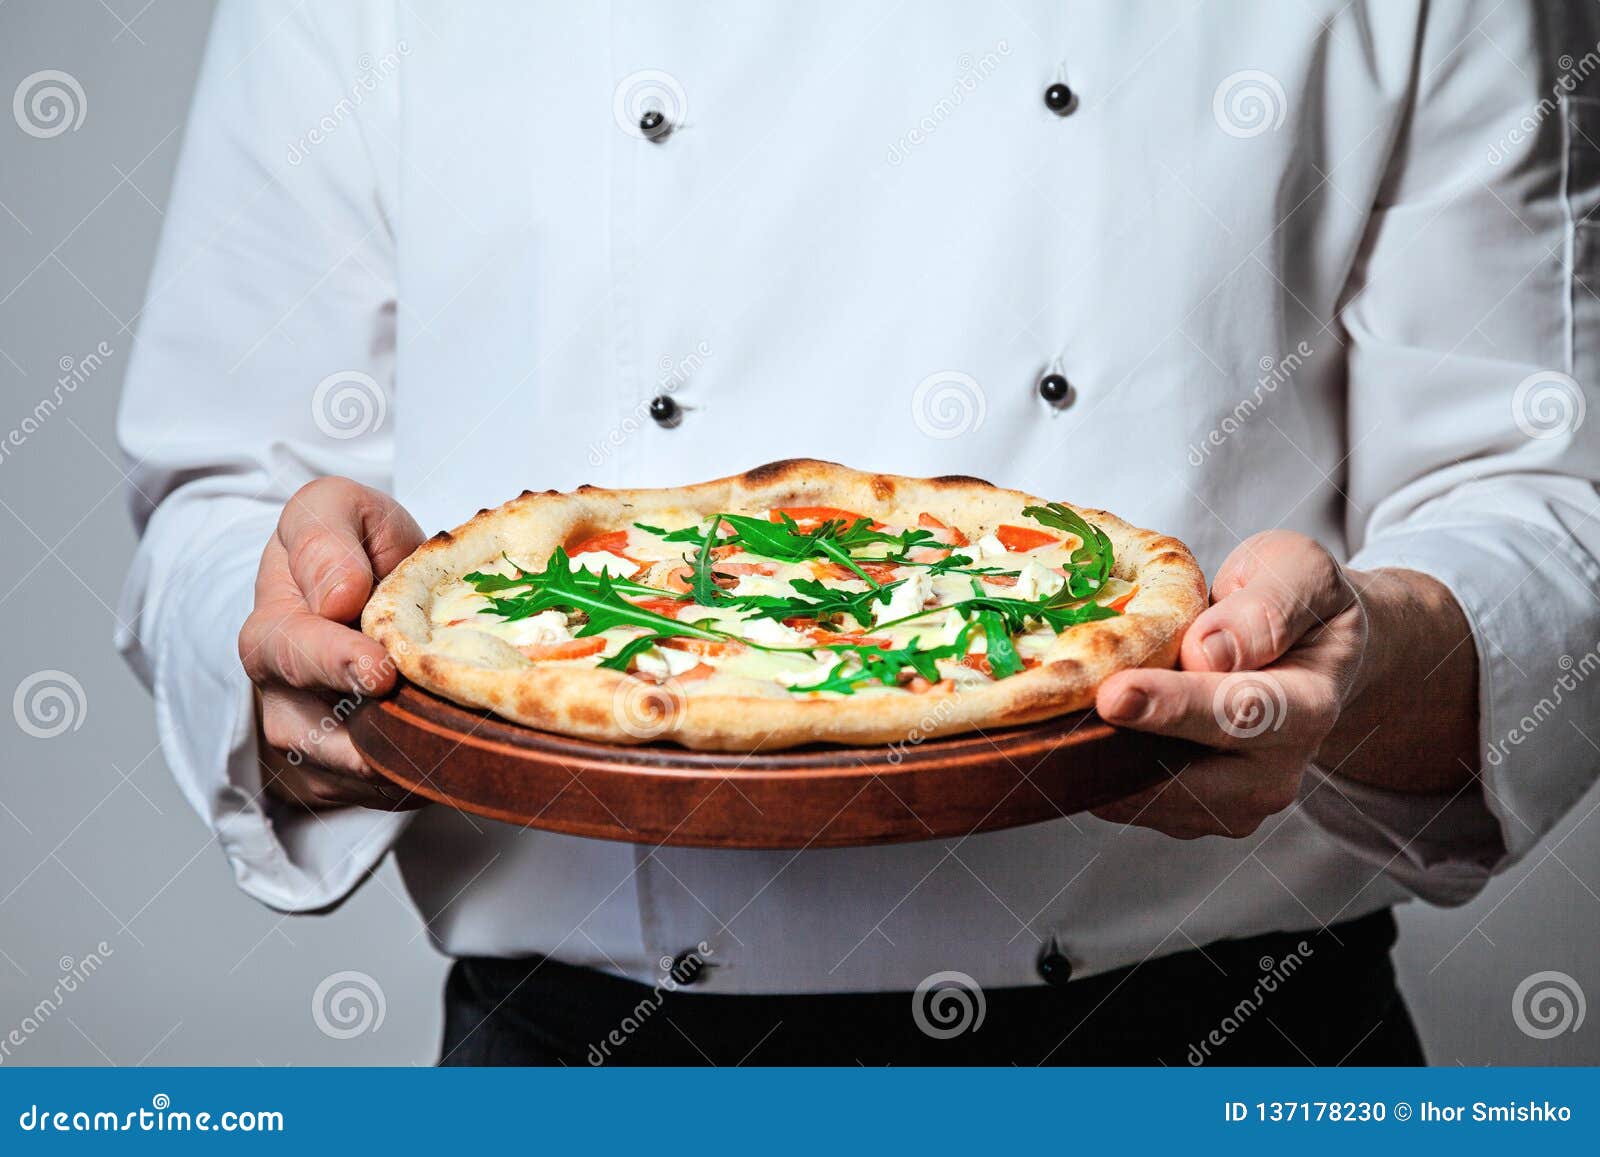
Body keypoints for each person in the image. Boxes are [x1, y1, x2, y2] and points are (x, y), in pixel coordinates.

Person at [118, 1, 1600, 1065]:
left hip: (1235, 1042)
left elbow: (1549, 505)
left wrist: (1368, 657)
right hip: (594, 1057)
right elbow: (224, 500)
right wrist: (283, 649)